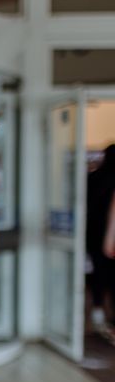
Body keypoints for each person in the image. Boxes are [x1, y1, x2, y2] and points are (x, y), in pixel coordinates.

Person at [86, 143, 115, 340]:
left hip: (93, 234)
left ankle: (98, 313)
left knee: (98, 274)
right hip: (107, 237)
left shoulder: (93, 178)